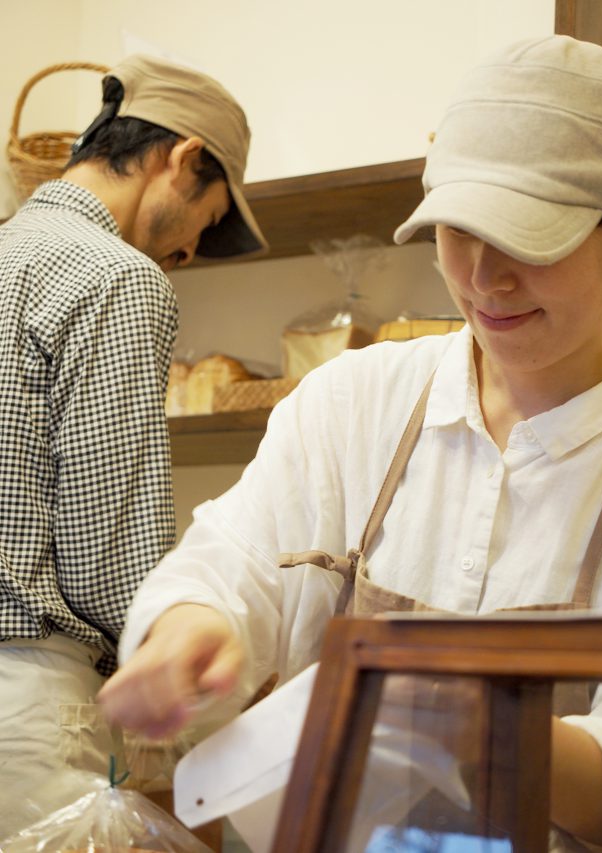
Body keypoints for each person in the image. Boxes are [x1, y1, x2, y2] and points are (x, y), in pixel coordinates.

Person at [99, 35, 602, 851]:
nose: (486, 276)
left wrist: (485, 719)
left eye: (533, 237)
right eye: (459, 229)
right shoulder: (358, 399)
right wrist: (190, 628)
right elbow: (234, 559)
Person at [0, 54, 266, 839]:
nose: (185, 254)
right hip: (27, 708)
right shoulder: (117, 277)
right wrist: (181, 653)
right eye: (206, 220)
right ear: (182, 158)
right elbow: (106, 554)